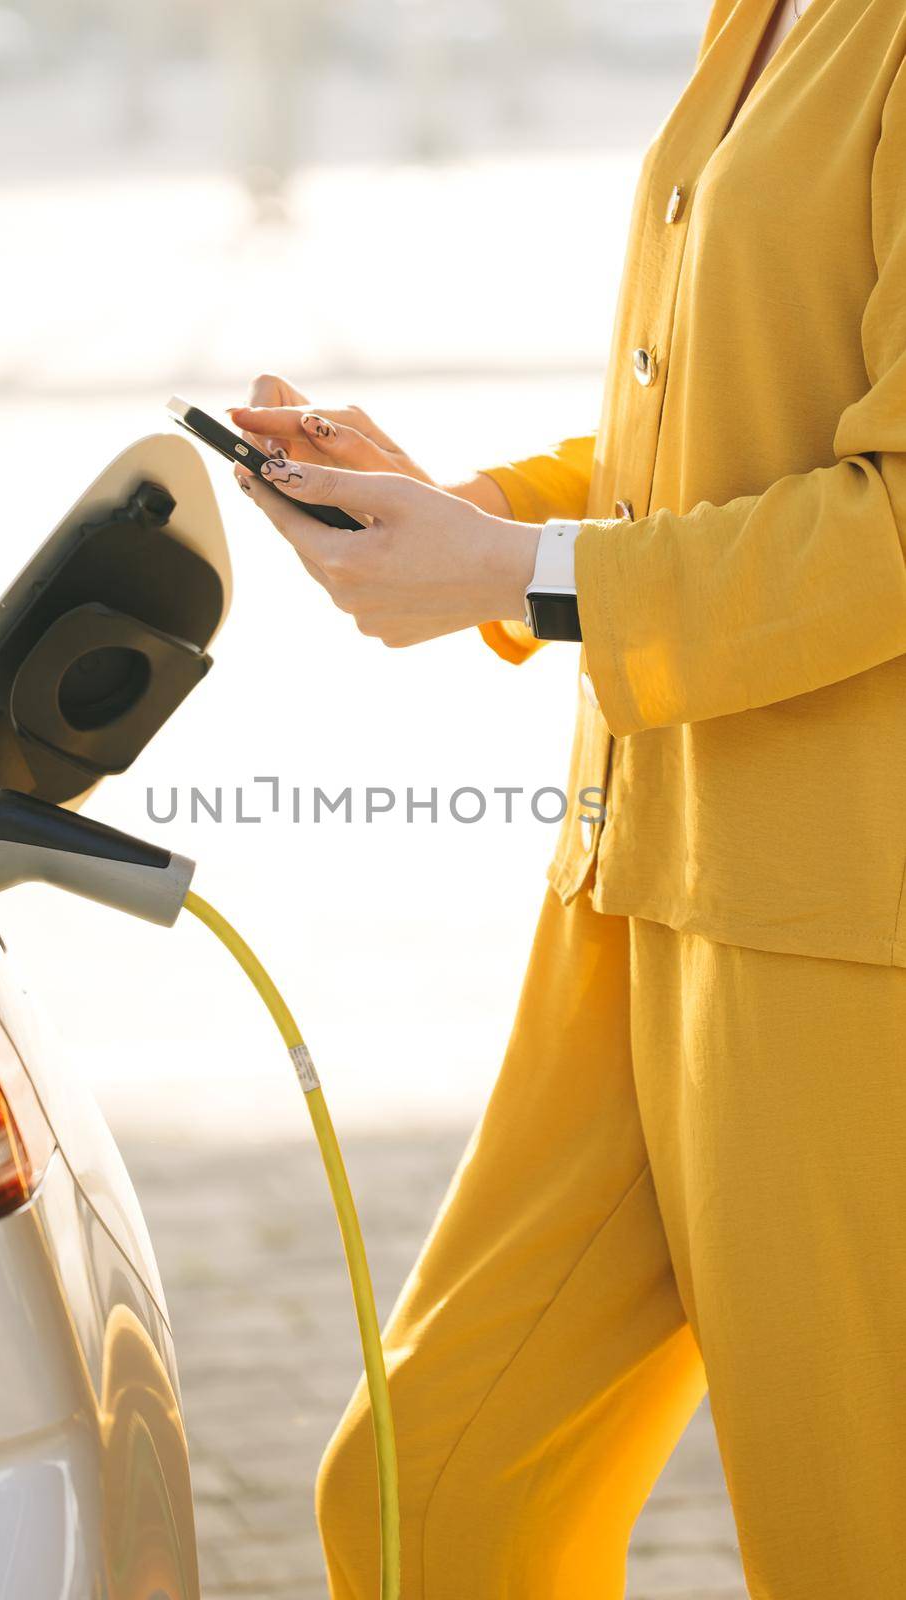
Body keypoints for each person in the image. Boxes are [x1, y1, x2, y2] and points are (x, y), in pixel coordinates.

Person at [231, 1, 906, 1594]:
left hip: (838, 940)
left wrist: (528, 578)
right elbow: (747, 424)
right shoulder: (765, 14)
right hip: (634, 885)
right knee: (432, 1499)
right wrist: (472, 521)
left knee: (855, 1542)